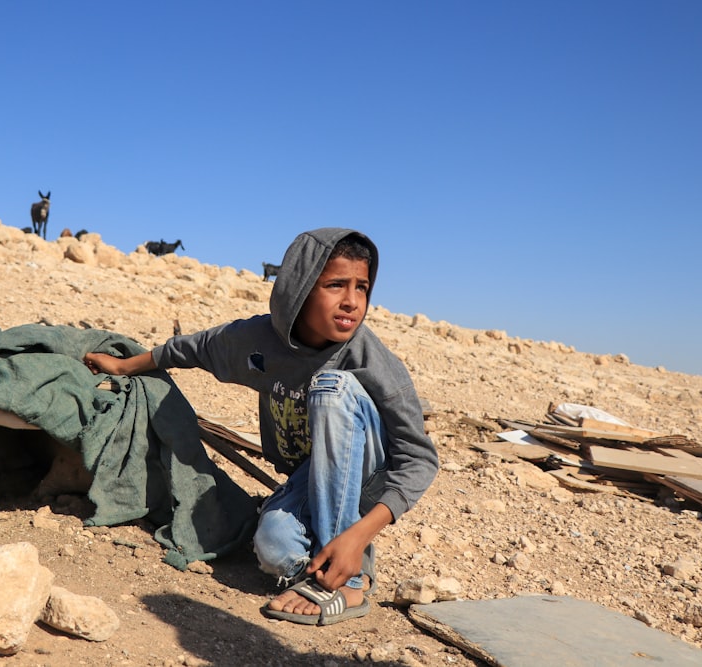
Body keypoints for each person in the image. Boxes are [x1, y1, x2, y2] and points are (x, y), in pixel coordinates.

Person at [82, 227, 438, 626]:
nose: (352, 302)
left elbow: (419, 459)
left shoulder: (368, 356)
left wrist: (361, 534)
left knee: (332, 388)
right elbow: (195, 348)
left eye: (362, 287)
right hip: (310, 476)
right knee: (271, 548)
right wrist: (126, 366)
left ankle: (347, 580)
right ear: (299, 289)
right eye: (336, 285)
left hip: (366, 473)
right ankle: (328, 564)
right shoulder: (257, 341)